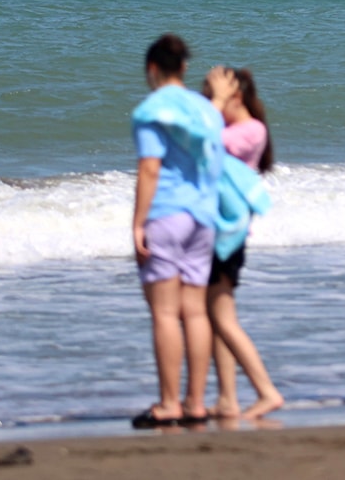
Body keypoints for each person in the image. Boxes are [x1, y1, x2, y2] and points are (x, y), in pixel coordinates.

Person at [130, 34, 225, 428]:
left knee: (165, 313)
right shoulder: (207, 110)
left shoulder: (150, 109)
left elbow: (150, 168)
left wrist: (138, 222)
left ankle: (169, 403)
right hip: (203, 217)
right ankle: (196, 402)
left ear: (152, 68)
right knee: (195, 313)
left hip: (167, 214)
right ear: (184, 67)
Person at [201, 66, 284, 420]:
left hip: (227, 237)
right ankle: (227, 398)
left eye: (214, 95)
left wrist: (211, 108)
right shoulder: (231, 126)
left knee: (223, 318)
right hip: (213, 231)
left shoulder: (251, 131)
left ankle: (266, 392)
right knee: (217, 318)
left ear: (234, 96)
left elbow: (206, 144)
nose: (209, 103)